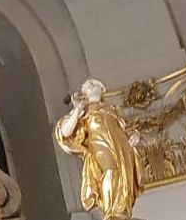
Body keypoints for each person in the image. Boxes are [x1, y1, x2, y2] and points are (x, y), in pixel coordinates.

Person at [54, 79, 141, 220]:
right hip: (100, 147)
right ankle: (111, 212)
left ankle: (122, 213)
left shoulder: (112, 109)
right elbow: (65, 132)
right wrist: (77, 110)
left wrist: (135, 135)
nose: (90, 84)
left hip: (122, 148)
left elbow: (127, 127)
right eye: (87, 85)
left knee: (124, 175)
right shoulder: (84, 110)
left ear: (102, 89)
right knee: (109, 171)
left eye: (93, 83)